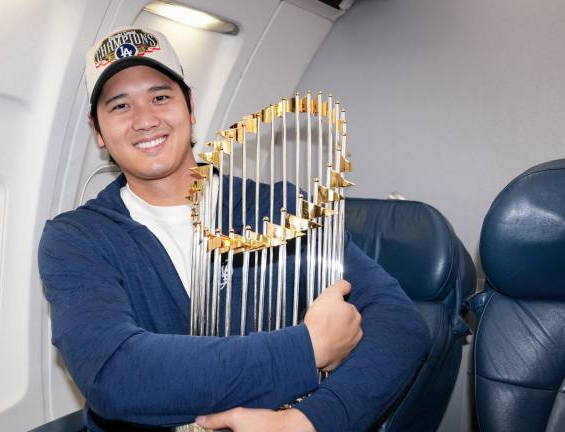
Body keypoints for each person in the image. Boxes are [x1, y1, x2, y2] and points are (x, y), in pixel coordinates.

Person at [38, 26, 430, 432]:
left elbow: (399, 322)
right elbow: (115, 374)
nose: (145, 120)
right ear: (97, 130)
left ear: (189, 106)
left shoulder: (278, 207)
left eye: (160, 97)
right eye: (120, 106)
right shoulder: (75, 239)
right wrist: (307, 347)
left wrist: (307, 422)